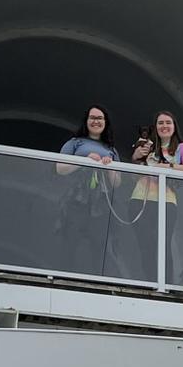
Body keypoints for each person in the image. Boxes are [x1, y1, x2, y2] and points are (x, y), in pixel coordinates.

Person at [128, 110, 183, 282]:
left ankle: (166, 283)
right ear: (155, 127)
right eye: (160, 123)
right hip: (140, 199)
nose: (164, 126)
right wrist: (136, 158)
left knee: (163, 243)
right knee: (145, 243)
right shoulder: (148, 146)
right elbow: (134, 176)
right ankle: (148, 281)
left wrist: (169, 168)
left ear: (174, 126)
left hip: (166, 202)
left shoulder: (182, 148)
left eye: (168, 122)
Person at [55, 105, 122, 277]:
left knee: (99, 244)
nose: (96, 121)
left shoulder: (111, 150)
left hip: (99, 204)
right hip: (76, 199)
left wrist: (109, 166)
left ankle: (98, 282)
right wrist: (85, 160)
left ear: (105, 123)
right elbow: (60, 168)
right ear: (86, 121)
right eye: (92, 118)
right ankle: (63, 278)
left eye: (100, 118)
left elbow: (116, 183)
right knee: (70, 239)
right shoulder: (75, 143)